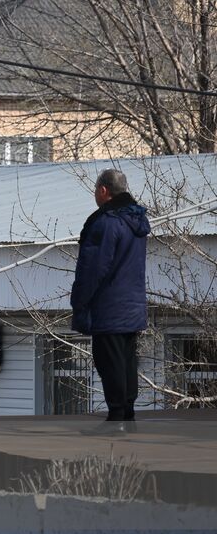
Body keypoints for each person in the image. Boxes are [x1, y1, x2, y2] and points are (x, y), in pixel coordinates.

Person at [70, 168, 151, 433]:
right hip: (132, 304)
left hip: (108, 305)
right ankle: (126, 412)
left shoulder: (105, 222)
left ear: (104, 191)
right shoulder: (134, 221)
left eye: (95, 189)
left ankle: (116, 418)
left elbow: (93, 268)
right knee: (126, 359)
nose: (95, 194)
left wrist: (79, 300)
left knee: (108, 360)